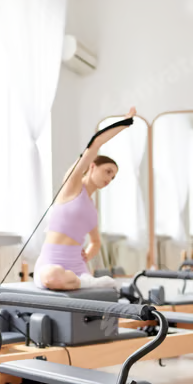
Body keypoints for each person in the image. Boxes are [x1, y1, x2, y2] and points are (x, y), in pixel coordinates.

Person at [34, 108, 137, 291]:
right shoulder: (71, 186)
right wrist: (125, 123)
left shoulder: (91, 207)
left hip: (77, 267)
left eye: (113, 177)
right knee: (52, 277)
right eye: (107, 171)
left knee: (99, 292)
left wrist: (87, 256)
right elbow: (95, 143)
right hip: (51, 263)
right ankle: (85, 282)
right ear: (92, 166)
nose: (109, 179)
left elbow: (96, 242)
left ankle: (83, 281)